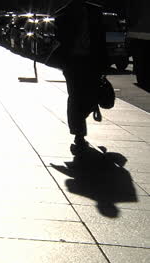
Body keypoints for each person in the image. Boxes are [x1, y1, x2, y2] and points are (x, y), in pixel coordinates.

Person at [54, 0, 107, 154]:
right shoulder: (64, 13)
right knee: (75, 96)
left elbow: (100, 39)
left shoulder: (95, 12)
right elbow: (61, 40)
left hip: (91, 61)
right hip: (73, 63)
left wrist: (103, 63)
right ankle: (79, 132)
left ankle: (80, 119)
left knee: (88, 96)